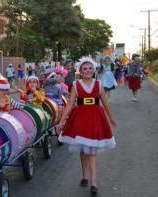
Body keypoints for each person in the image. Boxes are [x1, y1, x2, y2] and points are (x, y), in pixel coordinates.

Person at [58, 57, 117, 194]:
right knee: (84, 150)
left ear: (94, 69)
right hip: (81, 120)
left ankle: (94, 183)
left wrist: (111, 117)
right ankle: (84, 175)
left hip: (95, 119)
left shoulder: (99, 84)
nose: (88, 70)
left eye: (90, 68)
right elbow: (71, 104)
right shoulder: (76, 84)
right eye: (85, 68)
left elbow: (105, 103)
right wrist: (61, 120)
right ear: (80, 71)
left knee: (92, 151)